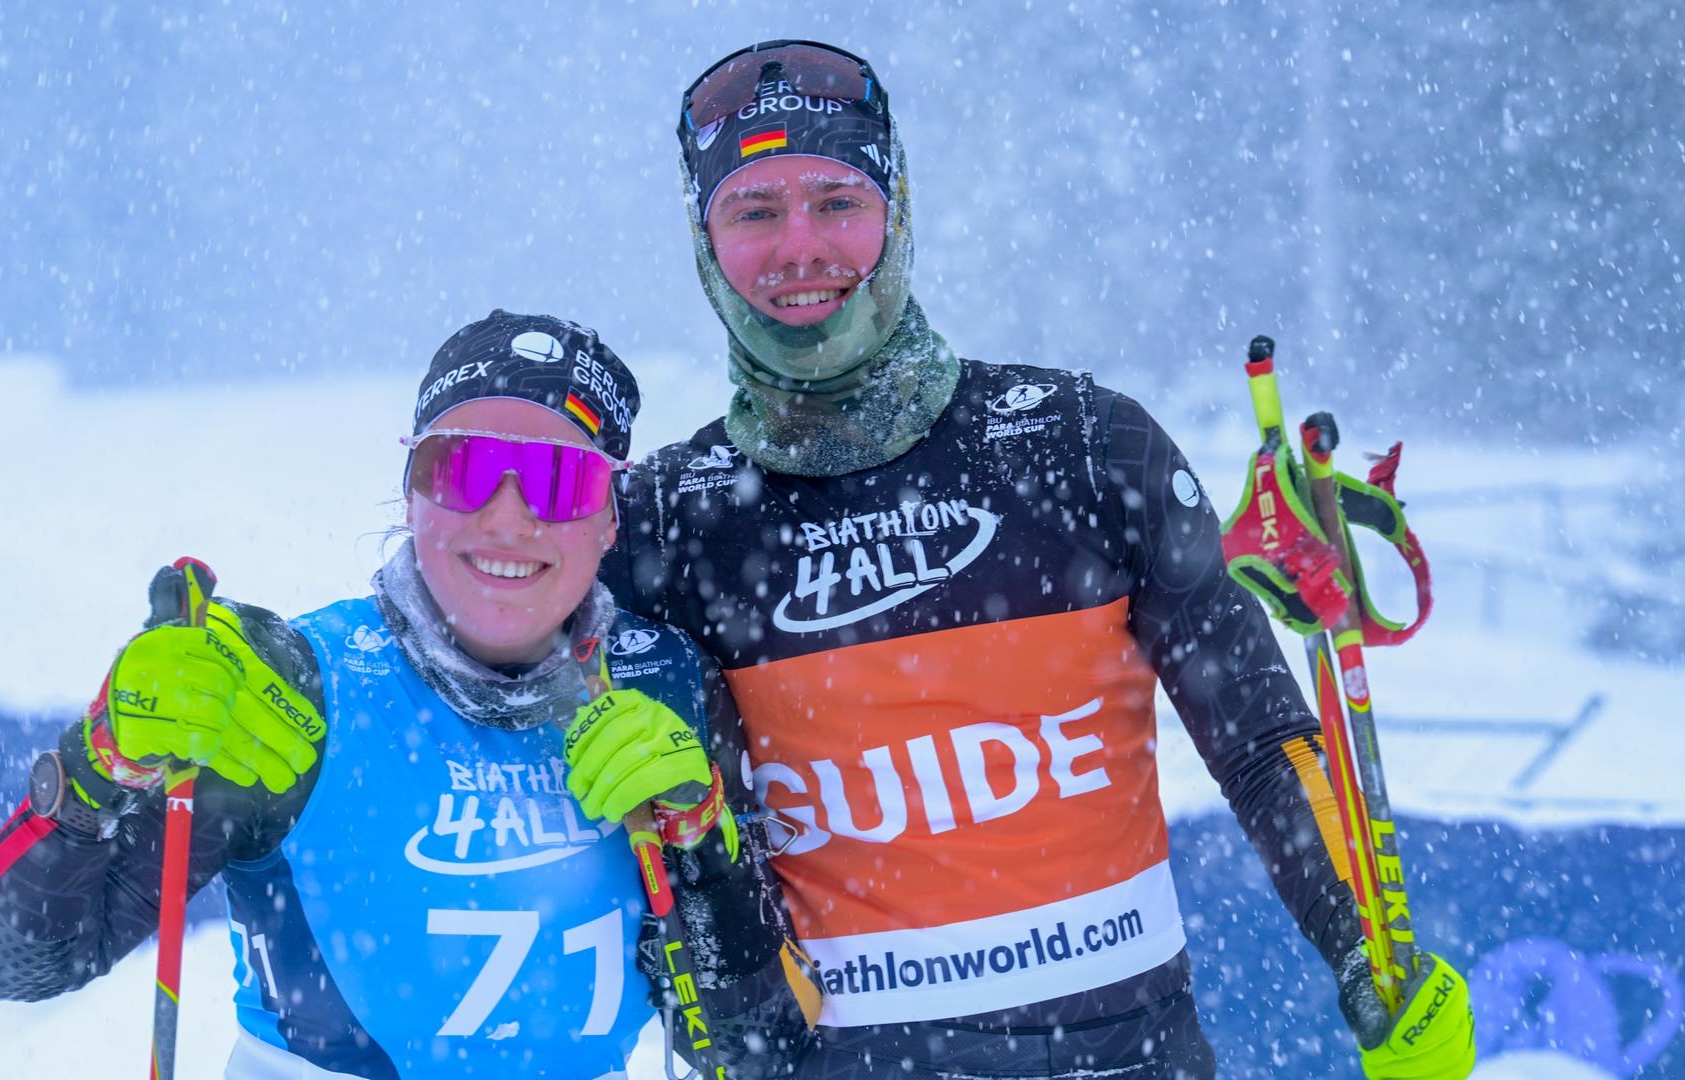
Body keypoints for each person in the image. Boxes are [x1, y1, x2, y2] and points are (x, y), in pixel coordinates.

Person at [603, 40, 1476, 1079]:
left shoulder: (1084, 441)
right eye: (754, 211)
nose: (802, 247)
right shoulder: (660, 521)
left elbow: (1263, 743)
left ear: (900, 208)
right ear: (704, 239)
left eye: (838, 200)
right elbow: (697, 905)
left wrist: (1369, 950)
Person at [0, 310, 820, 1078]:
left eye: (560, 481)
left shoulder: (663, 682)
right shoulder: (297, 688)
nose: (508, 519)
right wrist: (97, 764)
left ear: (607, 519)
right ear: (413, 493)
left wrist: (704, 845)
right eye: (466, 471)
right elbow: (19, 964)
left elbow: (763, 1052)